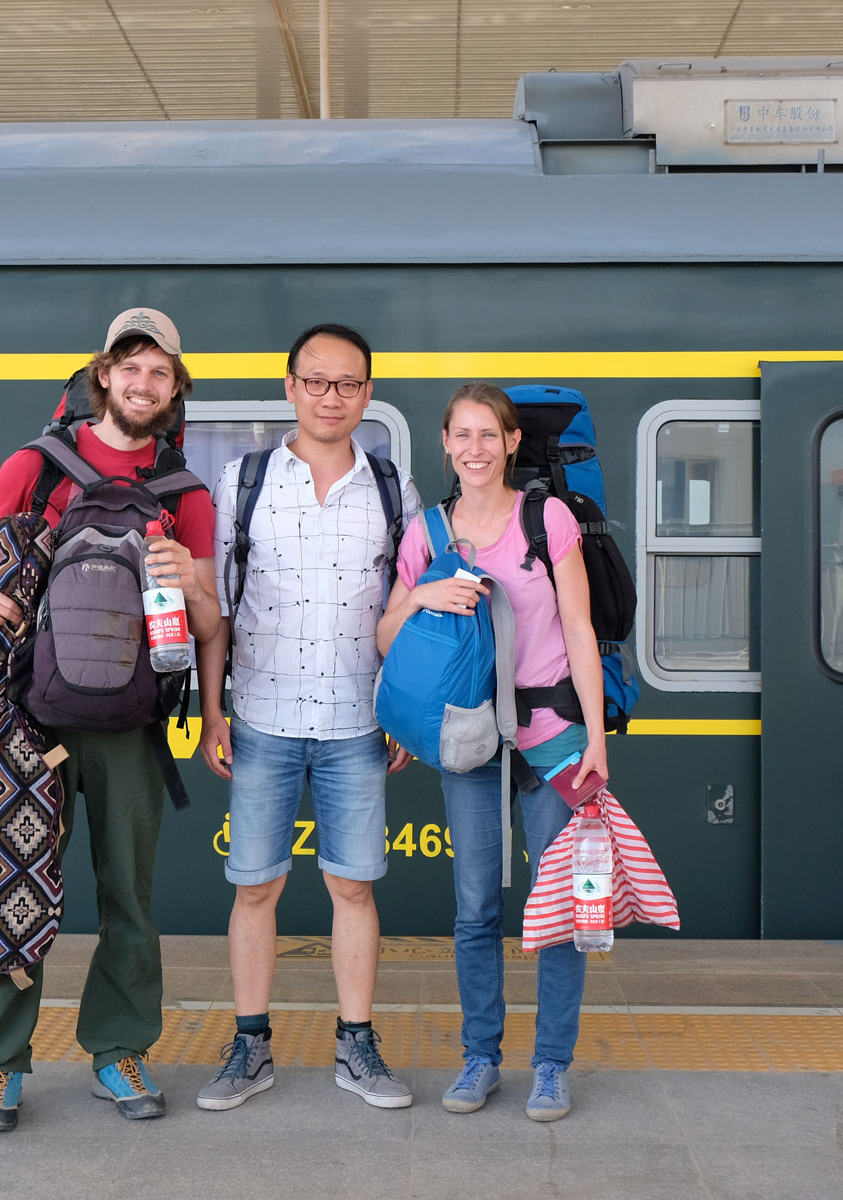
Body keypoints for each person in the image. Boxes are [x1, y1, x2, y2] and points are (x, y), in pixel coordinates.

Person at [0, 307, 221, 1130]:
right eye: (130, 366)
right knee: (15, 888)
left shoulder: (187, 493)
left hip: (133, 723)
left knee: (128, 898)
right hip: (28, 718)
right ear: (103, 374)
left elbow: (211, 622)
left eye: (160, 372)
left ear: (174, 390)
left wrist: (213, 713)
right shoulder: (36, 463)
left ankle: (120, 1050)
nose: (143, 383)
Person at [195, 324, 423, 1112]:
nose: (333, 397)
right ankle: (250, 1047)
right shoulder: (244, 482)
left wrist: (403, 708)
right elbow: (219, 609)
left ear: (368, 393)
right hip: (260, 716)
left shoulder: (393, 489)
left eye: (350, 384)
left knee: (353, 891)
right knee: (255, 890)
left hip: (359, 722)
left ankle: (356, 1046)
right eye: (317, 381)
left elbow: (408, 613)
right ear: (290, 387)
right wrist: (213, 711)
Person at [376, 382, 608, 1122]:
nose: (475, 449)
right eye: (462, 435)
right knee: (475, 907)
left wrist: (598, 737)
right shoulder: (427, 533)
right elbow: (385, 640)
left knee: (560, 909)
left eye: (489, 435)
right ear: (445, 444)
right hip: (469, 739)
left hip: (556, 736)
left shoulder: (549, 519)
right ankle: (480, 1059)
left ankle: (551, 1066)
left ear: (511, 443)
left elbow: (579, 632)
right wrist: (419, 599)